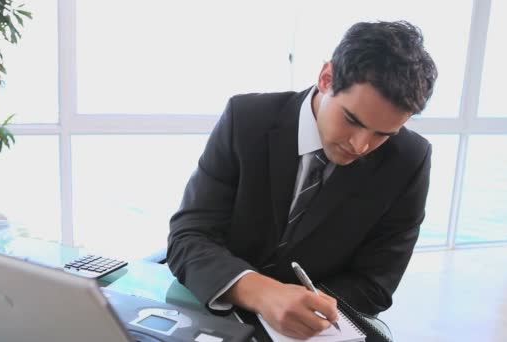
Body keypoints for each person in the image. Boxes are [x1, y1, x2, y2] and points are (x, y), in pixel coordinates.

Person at [167, 20, 437, 339]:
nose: (360, 145)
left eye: (382, 134)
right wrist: (262, 293)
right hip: (215, 306)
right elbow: (189, 236)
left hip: (315, 330)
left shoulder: (409, 160)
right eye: (352, 120)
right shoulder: (246, 119)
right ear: (326, 78)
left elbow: (376, 283)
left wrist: (307, 308)